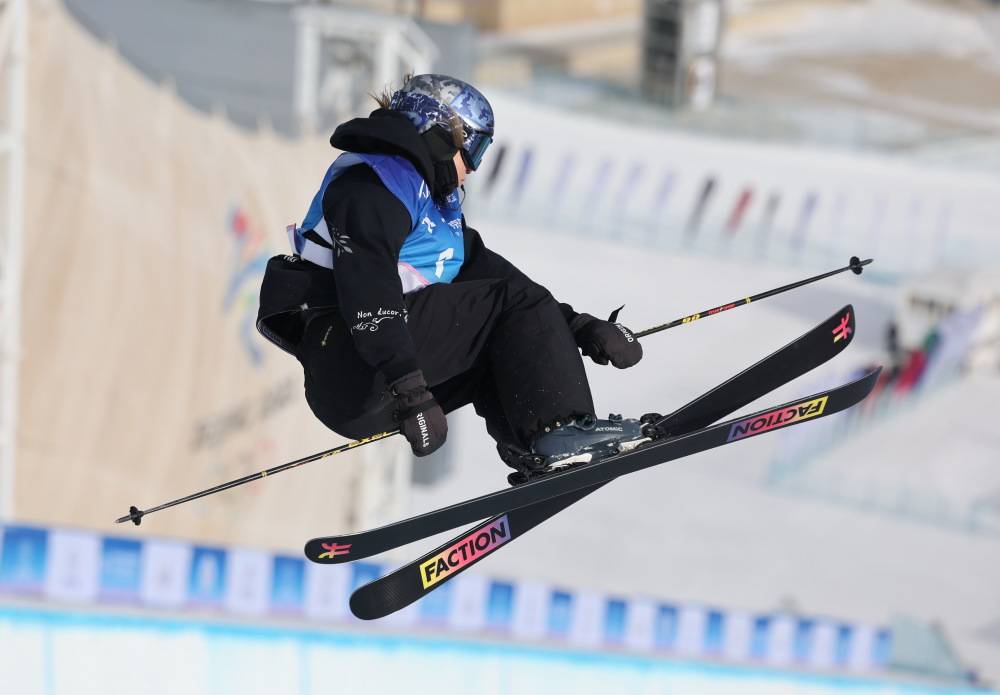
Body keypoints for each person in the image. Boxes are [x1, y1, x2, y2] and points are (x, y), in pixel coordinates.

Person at [257, 74, 647, 484]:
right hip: (352, 364)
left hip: (382, 373)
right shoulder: (373, 184)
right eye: (474, 148)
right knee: (506, 303)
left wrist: (579, 328)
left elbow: (506, 287)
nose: (473, 167)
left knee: (504, 324)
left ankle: (536, 443)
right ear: (441, 136)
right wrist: (410, 392)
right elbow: (368, 289)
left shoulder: (435, 208)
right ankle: (563, 431)